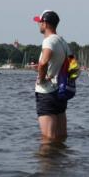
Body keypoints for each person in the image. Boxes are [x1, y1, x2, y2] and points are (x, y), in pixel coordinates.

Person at [29, 10, 70, 143]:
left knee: (48, 138)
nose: (38, 24)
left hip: (47, 93)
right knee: (60, 136)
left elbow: (44, 62)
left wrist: (41, 78)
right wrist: (45, 70)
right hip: (61, 92)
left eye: (39, 22)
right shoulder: (62, 41)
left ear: (45, 24)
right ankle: (60, 162)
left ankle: (47, 163)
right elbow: (72, 65)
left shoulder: (48, 41)